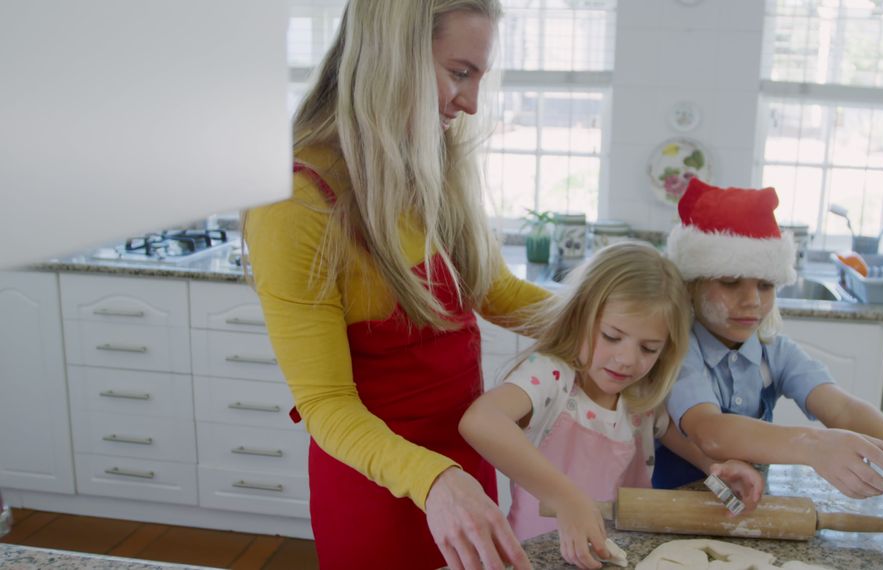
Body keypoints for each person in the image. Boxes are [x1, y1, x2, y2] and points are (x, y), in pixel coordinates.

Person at [243, 1, 549, 568]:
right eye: (460, 73)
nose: (472, 103)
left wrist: (615, 317)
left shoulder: (428, 160)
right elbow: (327, 405)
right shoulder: (296, 202)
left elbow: (495, 292)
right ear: (393, 56)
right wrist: (435, 482)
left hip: (465, 465)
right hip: (382, 491)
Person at [653, 178, 883, 570]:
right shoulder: (679, 348)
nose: (752, 300)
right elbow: (710, 431)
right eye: (730, 283)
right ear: (691, 285)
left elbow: (844, 410)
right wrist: (813, 445)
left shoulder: (772, 350)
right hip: (670, 512)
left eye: (765, 284)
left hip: (747, 510)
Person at [460, 242, 765, 570]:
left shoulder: (641, 396)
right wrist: (566, 498)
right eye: (612, 336)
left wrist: (717, 470)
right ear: (581, 315)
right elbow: (480, 421)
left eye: (648, 348)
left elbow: (684, 441)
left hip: (621, 557)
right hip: (541, 558)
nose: (627, 360)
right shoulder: (553, 377)